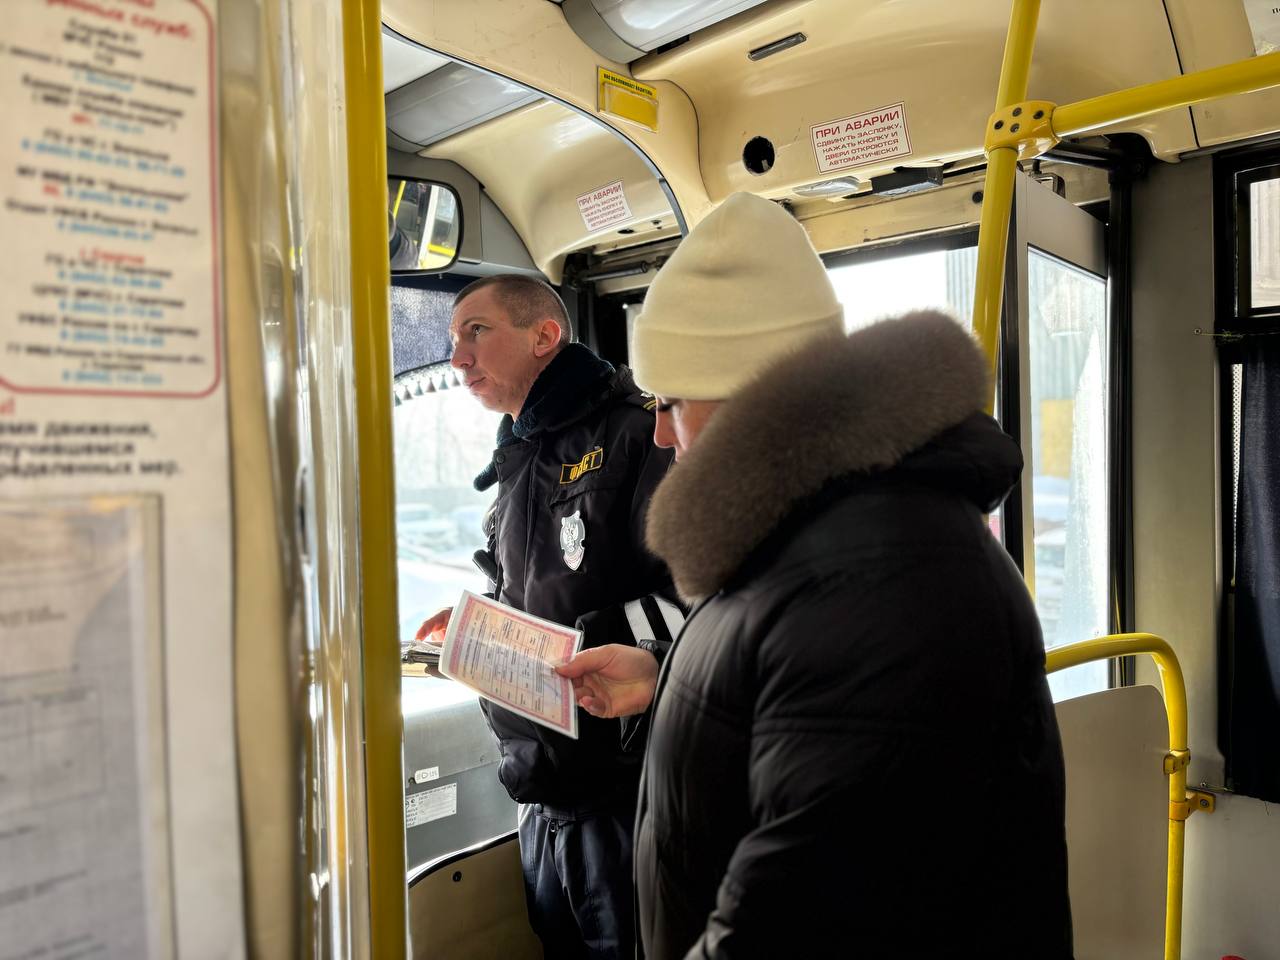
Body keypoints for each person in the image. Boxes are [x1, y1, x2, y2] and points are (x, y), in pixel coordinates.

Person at [557, 193, 1074, 958]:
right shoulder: (817, 530)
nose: (660, 434)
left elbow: (800, 922)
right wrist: (665, 680)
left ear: (748, 397)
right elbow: (800, 702)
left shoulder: (886, 580)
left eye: (670, 402)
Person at [415, 274, 681, 960]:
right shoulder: (520, 454)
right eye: (453, 338)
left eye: (477, 332)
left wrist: (568, 645)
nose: (458, 357)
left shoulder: (639, 433)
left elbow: (696, 606)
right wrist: (479, 627)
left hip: (627, 801)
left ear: (544, 335)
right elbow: (535, 591)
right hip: (541, 799)